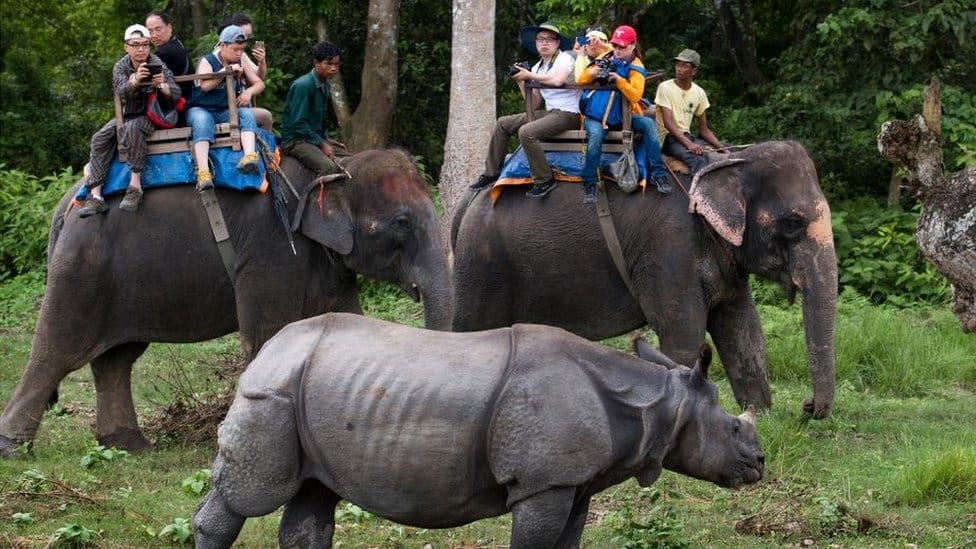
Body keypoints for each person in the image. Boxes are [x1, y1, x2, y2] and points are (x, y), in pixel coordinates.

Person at [78, 24, 181, 217]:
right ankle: (96, 195)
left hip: (152, 114)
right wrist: (134, 81)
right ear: (127, 47)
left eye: (144, 44)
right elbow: (120, 91)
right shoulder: (121, 66)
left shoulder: (157, 62)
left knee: (133, 128)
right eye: (135, 45)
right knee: (99, 138)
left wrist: (162, 85)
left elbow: (176, 92)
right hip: (126, 114)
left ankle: (135, 187)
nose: (140, 49)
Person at [470, 21, 581, 198]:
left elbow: (558, 80)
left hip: (569, 114)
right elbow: (534, 103)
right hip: (550, 113)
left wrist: (529, 75)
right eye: (540, 39)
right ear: (536, 44)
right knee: (503, 124)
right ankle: (491, 173)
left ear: (557, 42)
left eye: (549, 39)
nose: (544, 43)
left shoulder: (565, 58)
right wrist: (522, 82)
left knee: (527, 132)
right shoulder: (538, 67)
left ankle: (544, 180)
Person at [576, 25, 670, 204]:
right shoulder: (606, 56)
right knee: (595, 135)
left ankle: (658, 173)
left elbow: (635, 95)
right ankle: (589, 182)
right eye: (616, 46)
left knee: (649, 124)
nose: (618, 50)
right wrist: (594, 71)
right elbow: (581, 79)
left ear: (633, 45)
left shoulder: (636, 66)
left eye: (622, 46)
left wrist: (619, 80)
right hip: (596, 116)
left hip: (622, 115)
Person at [187, 24, 263, 191]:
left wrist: (248, 93)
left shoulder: (240, 60)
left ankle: (249, 156)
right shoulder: (208, 60)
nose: (239, 53)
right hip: (201, 108)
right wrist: (225, 71)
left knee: (245, 114)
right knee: (202, 121)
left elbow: (259, 83)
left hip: (223, 110)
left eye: (242, 49)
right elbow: (205, 86)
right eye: (235, 49)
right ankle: (203, 172)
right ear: (223, 45)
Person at [654, 49, 725, 174]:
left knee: (716, 155)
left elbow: (704, 130)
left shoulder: (699, 93)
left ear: (694, 71)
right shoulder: (665, 87)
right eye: (678, 64)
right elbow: (668, 123)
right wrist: (690, 145)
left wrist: (724, 150)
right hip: (668, 139)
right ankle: (697, 193)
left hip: (687, 137)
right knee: (698, 161)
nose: (679, 69)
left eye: (684, 66)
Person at [280, 41, 343, 179]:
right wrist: (321, 144)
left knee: (345, 153)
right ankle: (312, 199)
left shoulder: (325, 84)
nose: (334, 68)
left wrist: (326, 140)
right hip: (295, 140)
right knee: (328, 167)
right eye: (329, 63)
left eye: (336, 64)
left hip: (311, 137)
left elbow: (317, 122)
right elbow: (299, 124)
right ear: (316, 63)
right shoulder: (303, 85)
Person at [216, 13, 272, 132]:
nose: (245, 40)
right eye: (243, 36)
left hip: (240, 105)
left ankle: (264, 148)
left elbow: (259, 78)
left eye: (248, 37)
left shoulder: (240, 54)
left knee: (264, 116)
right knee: (265, 117)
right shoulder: (223, 53)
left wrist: (262, 62)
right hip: (224, 108)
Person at [145, 10, 193, 104]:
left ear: (169, 27)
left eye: (158, 29)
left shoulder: (167, 51)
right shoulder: (177, 43)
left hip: (180, 104)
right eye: (150, 31)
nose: (154, 35)